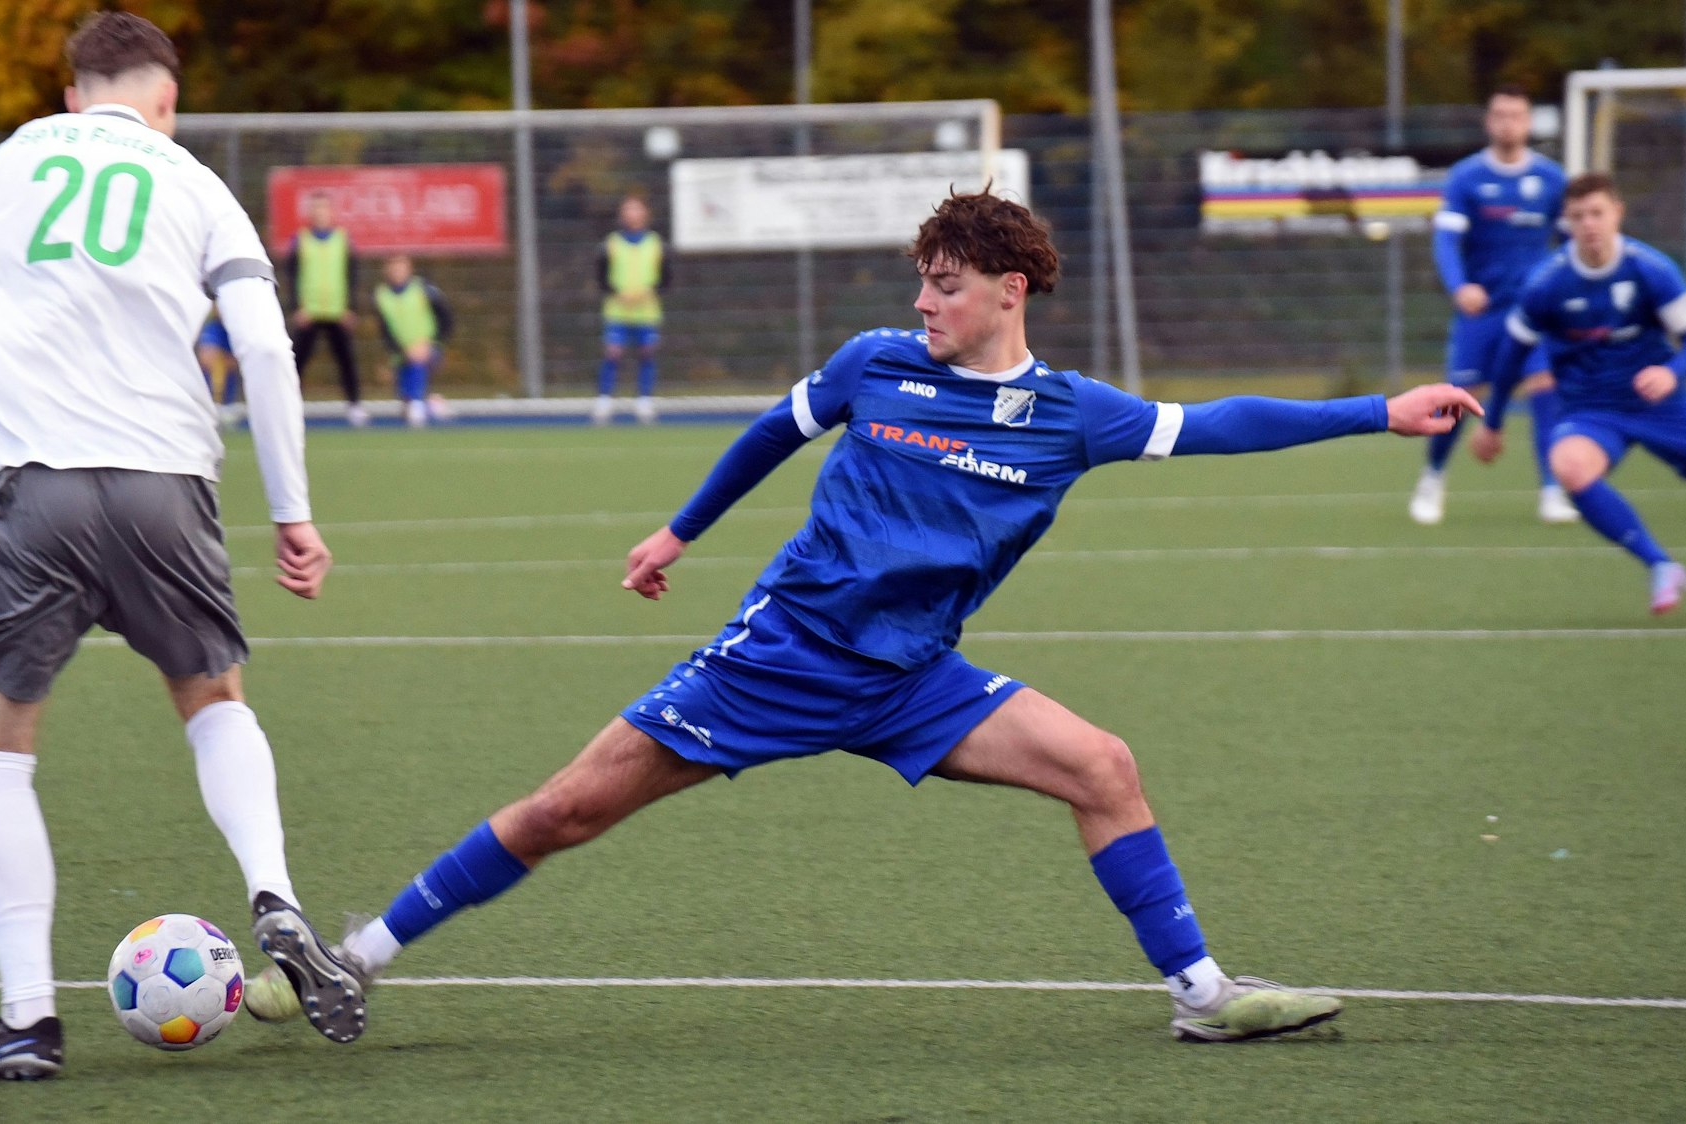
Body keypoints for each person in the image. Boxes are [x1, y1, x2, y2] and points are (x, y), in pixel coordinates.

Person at [246, 192, 1480, 1043]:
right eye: (920, 284)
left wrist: (1378, 410)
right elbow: (769, 433)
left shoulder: (1071, 413)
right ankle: (354, 956)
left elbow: (1220, 422)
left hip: (911, 676)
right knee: (566, 807)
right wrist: (679, 531)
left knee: (1103, 764)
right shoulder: (874, 363)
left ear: (1008, 291)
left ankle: (1202, 992)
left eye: (946, 286)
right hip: (780, 657)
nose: (924, 302)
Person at [0, 12, 366, 1079]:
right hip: (168, 485)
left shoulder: (12, 161)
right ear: (167, 100)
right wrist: (293, 511)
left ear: (73, 94)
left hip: (35, 488)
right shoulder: (195, 180)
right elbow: (263, 346)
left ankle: (28, 1020)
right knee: (214, 698)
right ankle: (276, 895)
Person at [1470, 172, 1686, 615]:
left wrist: (1671, 372)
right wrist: (1492, 422)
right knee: (1569, 465)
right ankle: (1660, 565)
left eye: (1597, 213)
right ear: (1566, 222)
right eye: (1578, 216)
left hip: (1662, 404)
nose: (1589, 224)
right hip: (1592, 409)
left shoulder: (1650, 269)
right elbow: (1511, 356)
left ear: (1618, 213)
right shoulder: (1547, 283)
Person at [1413, 84, 1575, 526]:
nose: (1508, 124)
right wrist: (1459, 286)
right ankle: (1433, 477)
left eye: (1516, 116)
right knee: (1460, 398)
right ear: (1489, 122)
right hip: (1482, 312)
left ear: (1528, 122)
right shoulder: (1466, 177)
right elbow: (1446, 240)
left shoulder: (1551, 180)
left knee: (1545, 389)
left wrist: (1562, 290)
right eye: (1500, 115)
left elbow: (1571, 243)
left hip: (1533, 314)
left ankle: (1552, 490)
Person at [285, 192, 367, 427]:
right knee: (296, 362)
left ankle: (354, 405)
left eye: (324, 208)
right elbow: (291, 276)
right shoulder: (300, 240)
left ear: (331, 212)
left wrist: (350, 308)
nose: (320, 213)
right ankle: (289, 406)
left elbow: (352, 275)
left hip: (337, 312)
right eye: (316, 208)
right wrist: (297, 307)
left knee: (346, 360)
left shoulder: (343, 239)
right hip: (309, 312)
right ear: (310, 213)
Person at [593, 195, 667, 425]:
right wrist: (617, 292)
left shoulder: (656, 243)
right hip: (618, 311)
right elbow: (601, 277)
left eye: (636, 209)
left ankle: (644, 401)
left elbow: (666, 279)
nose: (632, 213)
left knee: (647, 353)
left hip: (646, 311)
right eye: (628, 209)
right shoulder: (611, 243)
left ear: (645, 213)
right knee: (613, 353)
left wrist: (649, 291)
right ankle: (604, 400)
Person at [373, 253, 453, 429]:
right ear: (386, 270)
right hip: (400, 353)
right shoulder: (381, 295)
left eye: (401, 266)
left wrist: (432, 344)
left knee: (417, 364)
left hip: (429, 349)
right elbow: (385, 333)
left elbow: (446, 319)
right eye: (393, 267)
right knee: (405, 402)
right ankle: (431, 404)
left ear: (409, 268)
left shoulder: (424, 289)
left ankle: (418, 406)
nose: (397, 271)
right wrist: (403, 350)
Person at [197, 314, 245, 428]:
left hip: (232, 397)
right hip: (208, 394)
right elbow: (207, 358)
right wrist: (230, 360)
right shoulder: (213, 328)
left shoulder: (237, 330)